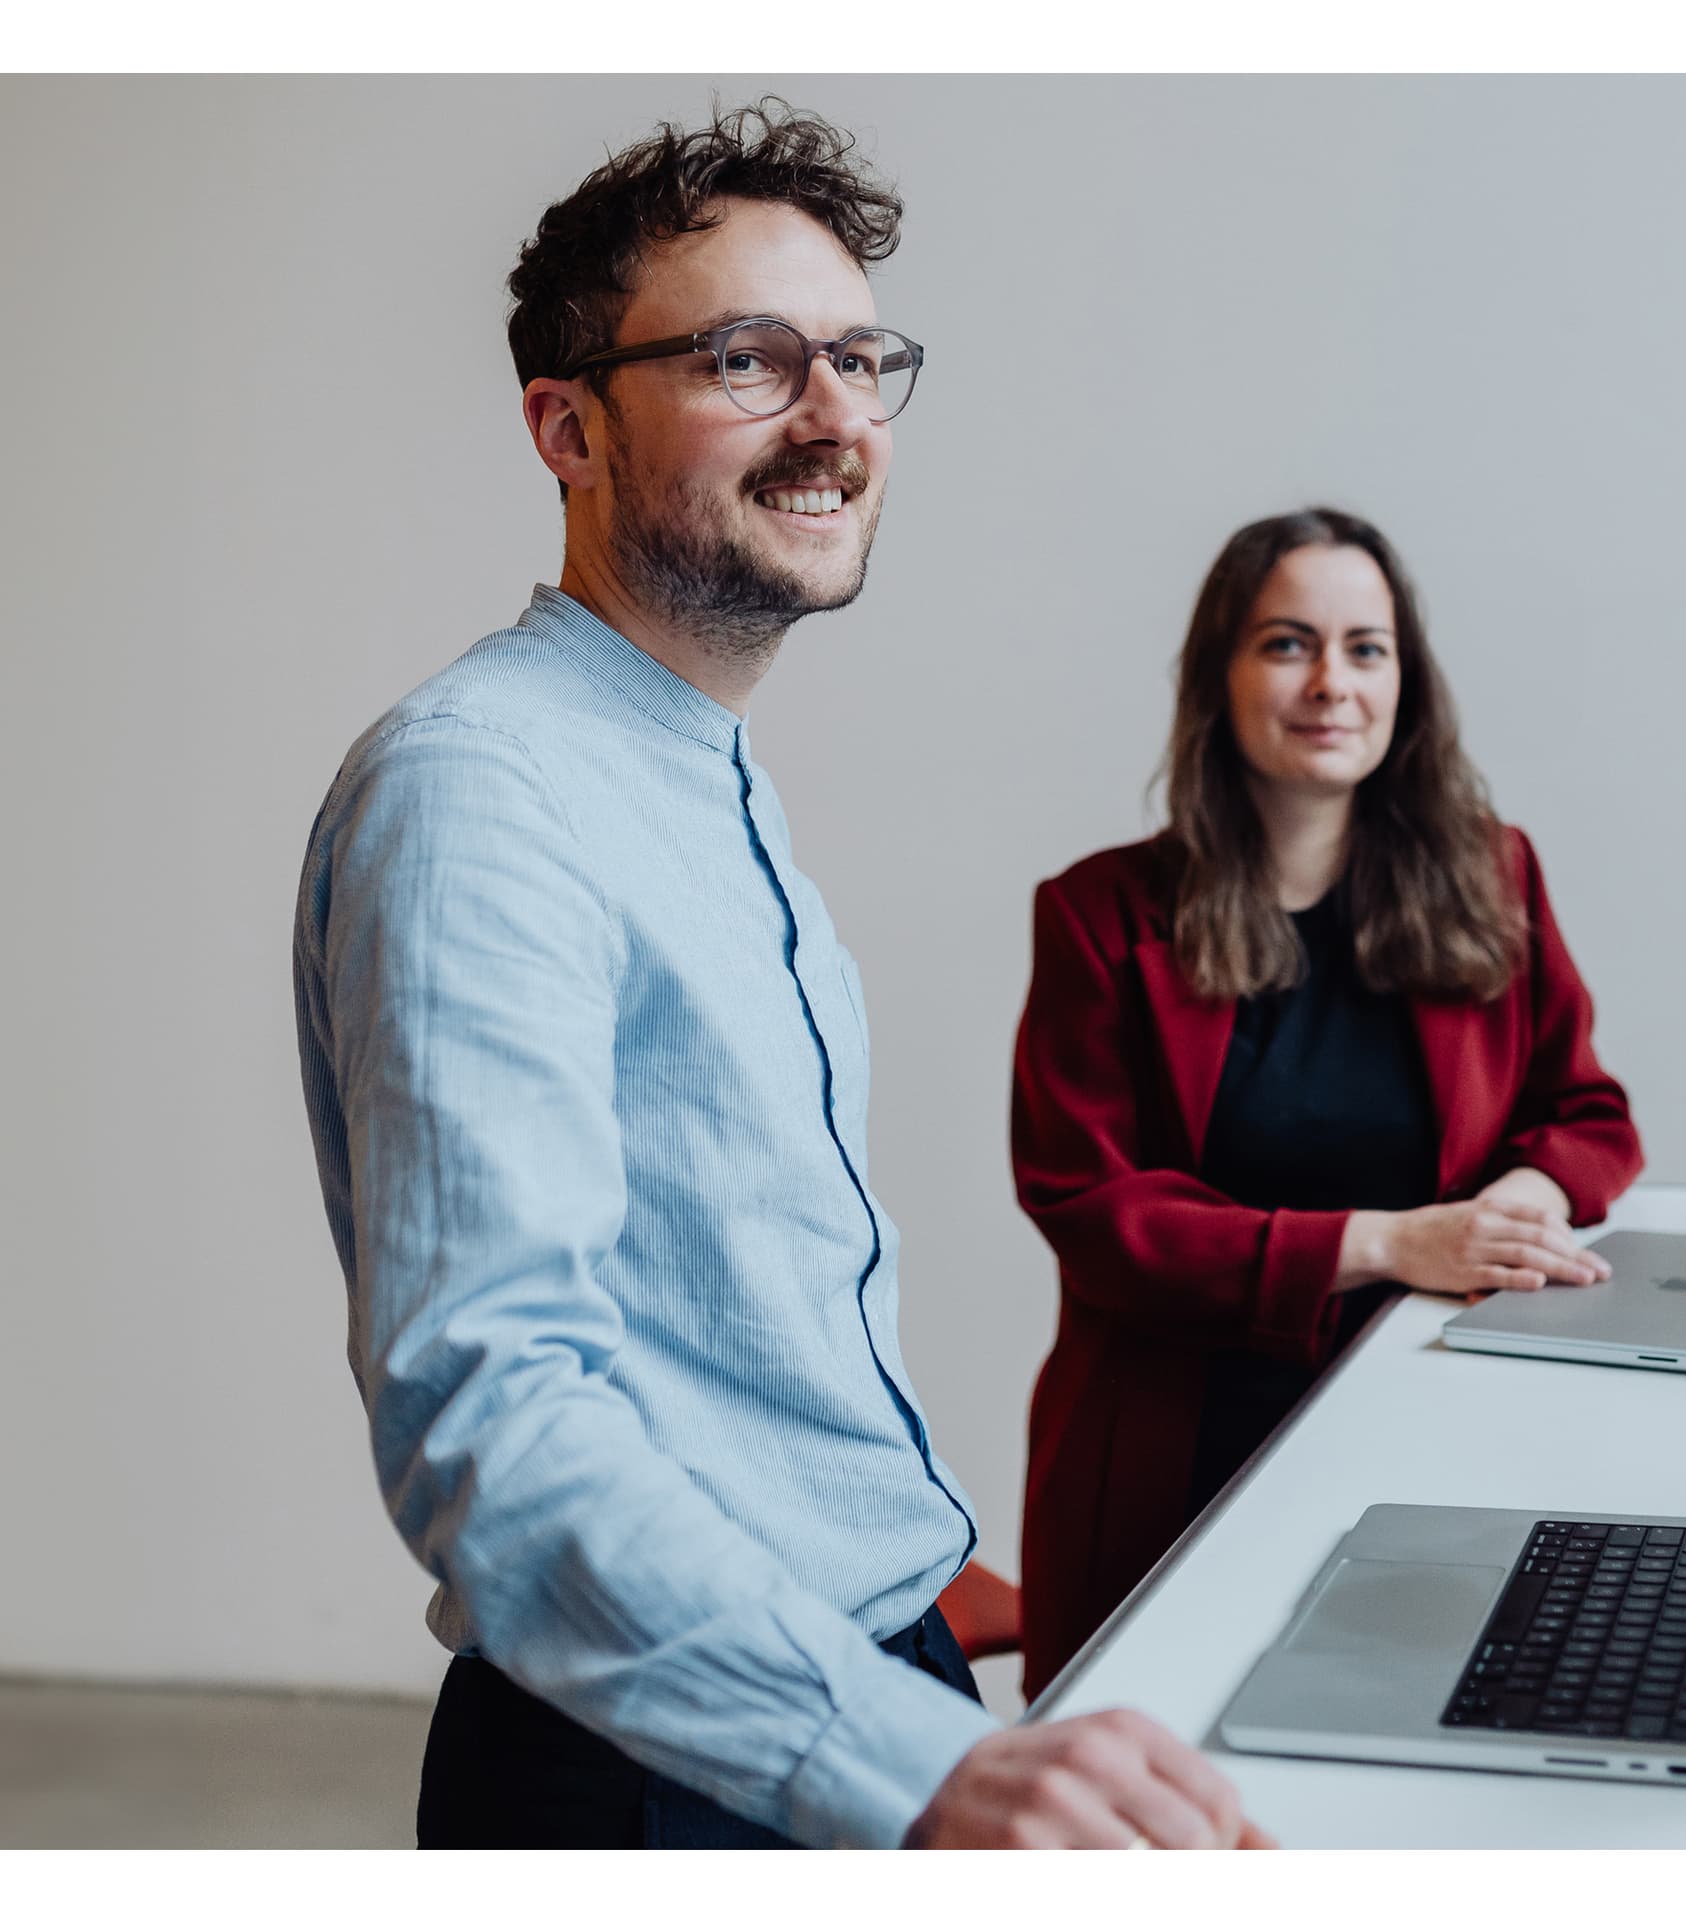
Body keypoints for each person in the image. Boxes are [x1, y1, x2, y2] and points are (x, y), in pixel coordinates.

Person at [291, 99, 1266, 1849]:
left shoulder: (700, 782)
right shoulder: (482, 795)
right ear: (568, 429)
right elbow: (496, 1421)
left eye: (862, 359)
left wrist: (895, 1565)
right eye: (749, 360)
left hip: (848, 1670)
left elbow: (721, 1300)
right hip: (661, 1775)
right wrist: (913, 1756)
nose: (833, 417)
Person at [1009, 509, 1644, 1697]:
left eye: (1367, 648)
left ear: (1406, 679)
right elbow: (1093, 1212)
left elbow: (1589, 1109)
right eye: (1288, 643)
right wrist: (1395, 1242)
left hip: (1434, 1425)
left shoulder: (1493, 876)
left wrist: (1520, 1199)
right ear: (1221, 674)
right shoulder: (1097, 915)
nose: (1332, 684)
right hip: (1178, 1457)